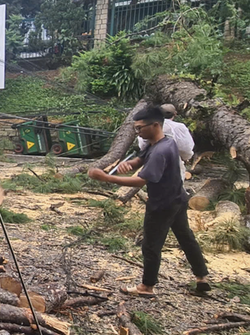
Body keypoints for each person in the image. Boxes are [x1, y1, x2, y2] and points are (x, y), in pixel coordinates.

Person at [88, 106, 210, 297]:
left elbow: (141, 180)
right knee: (186, 237)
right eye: (136, 129)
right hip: (178, 198)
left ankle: (147, 286)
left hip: (162, 204)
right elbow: (140, 159)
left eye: (140, 128)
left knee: (151, 245)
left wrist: (107, 178)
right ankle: (202, 276)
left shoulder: (160, 151)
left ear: (155, 125)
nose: (138, 132)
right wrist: (128, 164)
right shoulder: (164, 142)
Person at [137, 104, 194, 182]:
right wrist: (186, 157)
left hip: (151, 162)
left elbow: (142, 145)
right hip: (174, 164)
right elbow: (186, 148)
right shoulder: (179, 127)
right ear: (175, 114)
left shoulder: (148, 126)